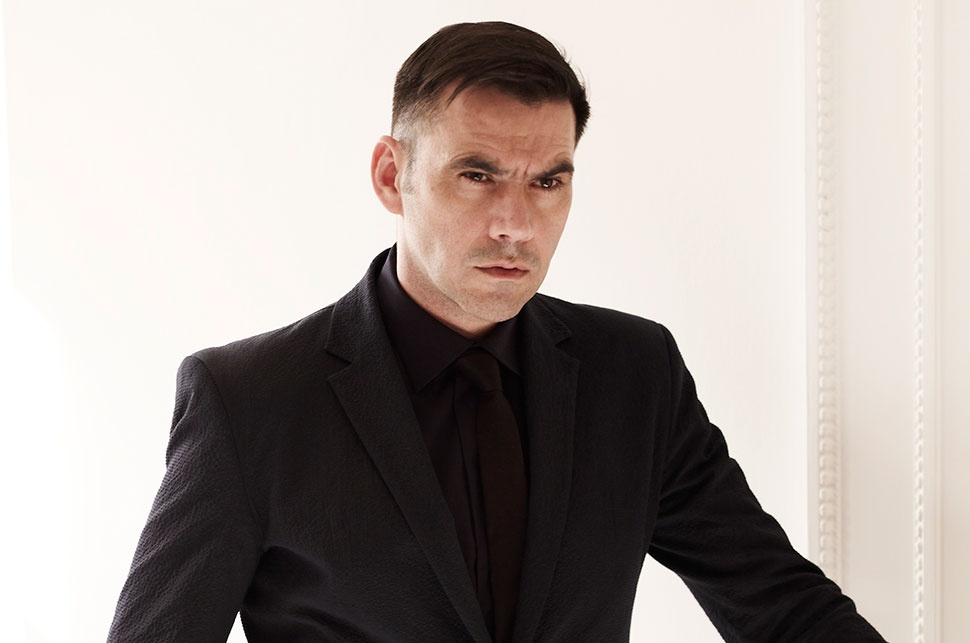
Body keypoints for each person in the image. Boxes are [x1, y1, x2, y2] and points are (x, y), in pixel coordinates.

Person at [108, 21, 886, 643]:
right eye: (477, 174)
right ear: (392, 175)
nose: (516, 223)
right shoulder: (250, 400)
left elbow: (783, 608)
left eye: (548, 181)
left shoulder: (635, 374)